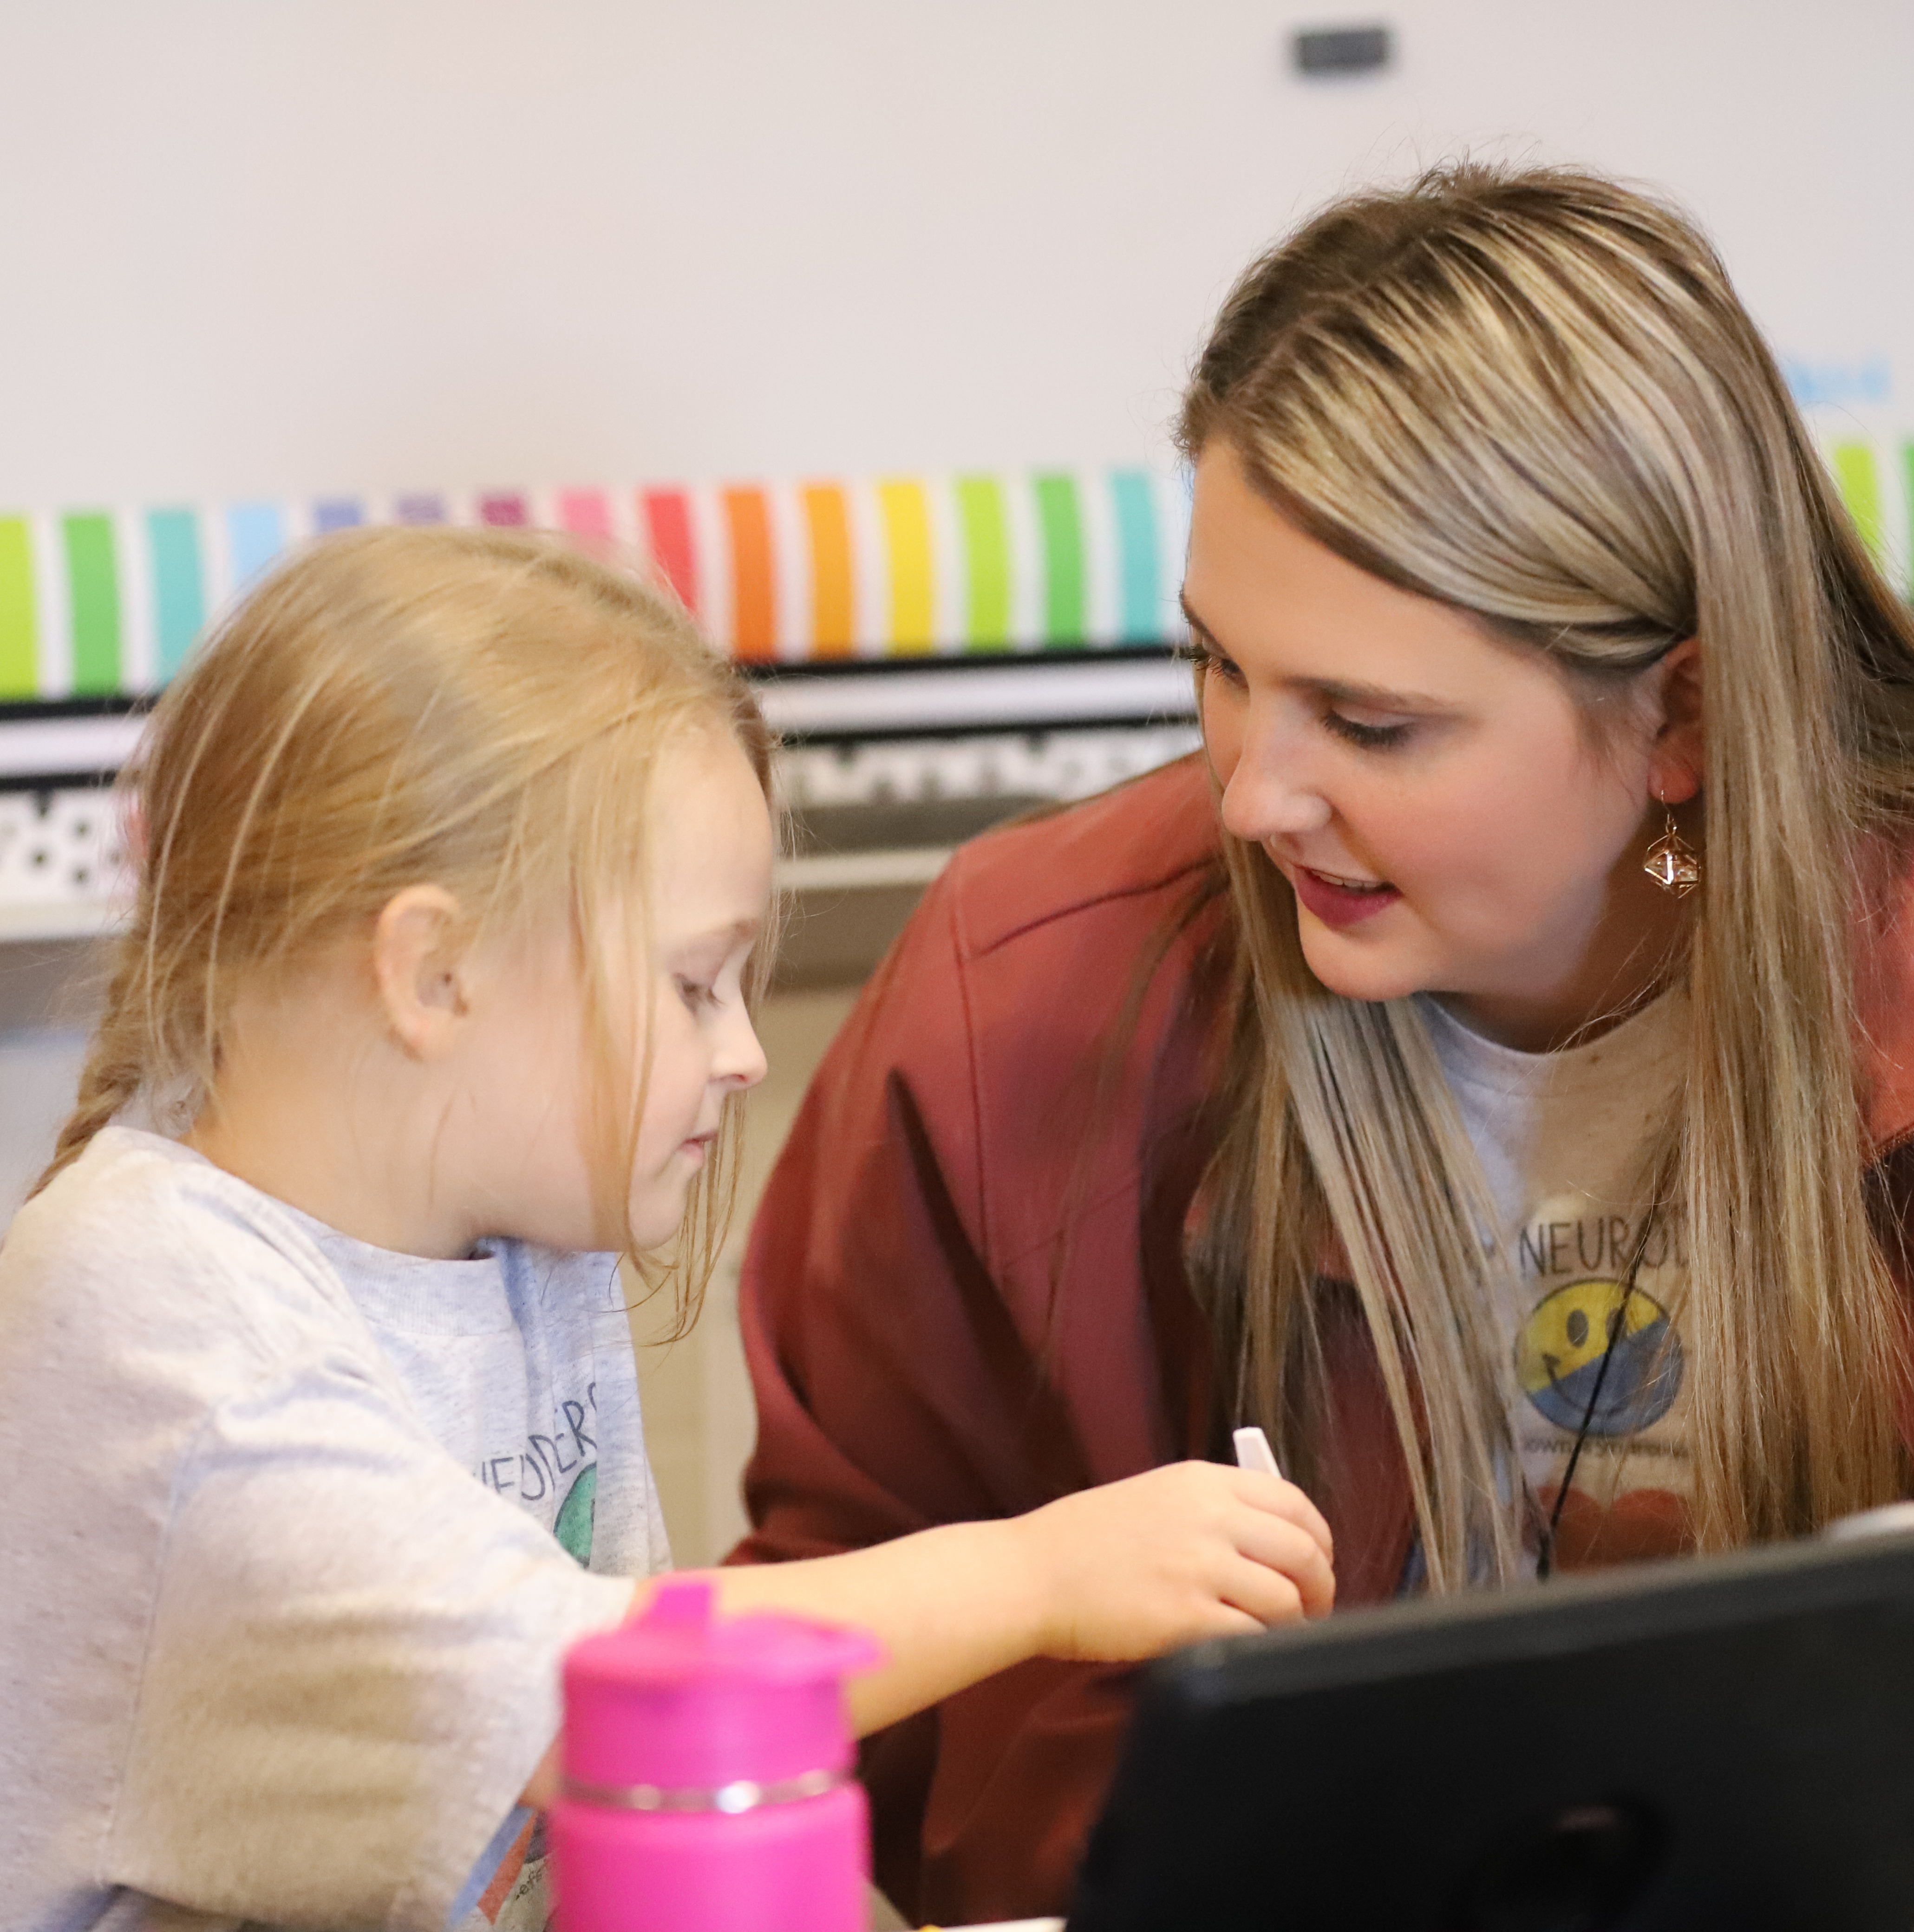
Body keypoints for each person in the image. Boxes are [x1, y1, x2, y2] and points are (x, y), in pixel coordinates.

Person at [727, 161, 1914, 1925]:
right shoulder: (1019, 993)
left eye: (1370, 722)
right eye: (1218, 667)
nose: (1251, 790)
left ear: (1682, 711)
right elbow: (857, 1653)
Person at [0, 527, 1335, 1932]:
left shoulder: (511, 1234)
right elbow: (603, 1705)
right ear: (433, 972)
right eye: (696, 985)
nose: (747, 1051)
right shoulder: (153, 1317)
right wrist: (1043, 1574)